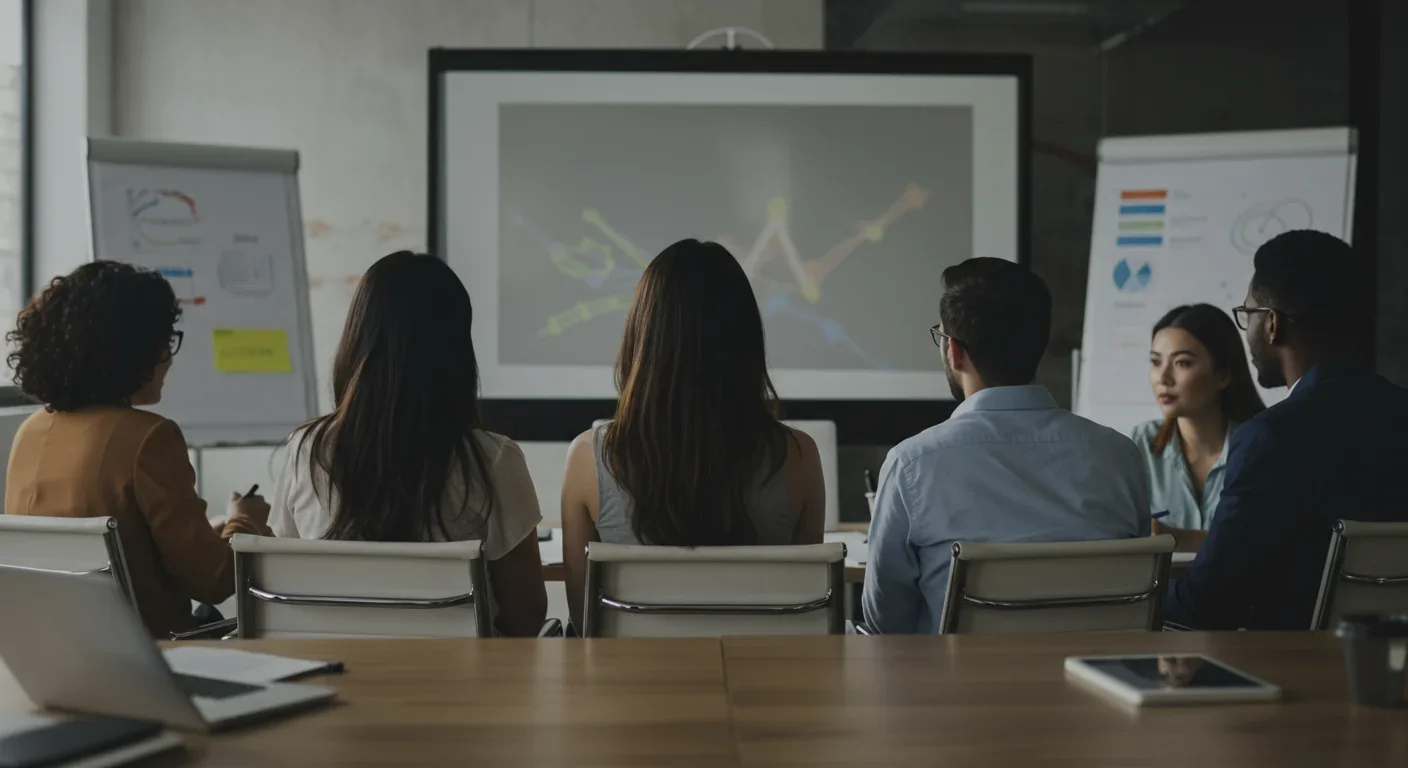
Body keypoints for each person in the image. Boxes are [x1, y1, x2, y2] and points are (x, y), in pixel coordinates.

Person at [863, 257, 1150, 635]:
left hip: (961, 673)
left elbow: (885, 620)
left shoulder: (912, 464)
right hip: (1096, 669)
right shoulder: (1121, 455)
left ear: (954, 351)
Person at [269, 251, 546, 637]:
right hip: (461, 673)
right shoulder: (493, 459)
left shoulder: (307, 450)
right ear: (458, 352)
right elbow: (525, 617)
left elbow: (286, 582)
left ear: (357, 338)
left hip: (340, 666)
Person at [560, 239, 826, 632]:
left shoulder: (588, 458)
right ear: (746, 341)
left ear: (642, 337)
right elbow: (807, 613)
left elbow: (584, 620)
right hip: (760, 669)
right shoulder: (800, 456)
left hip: (630, 673)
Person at [4, 261, 270, 638]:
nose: (169, 358)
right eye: (165, 341)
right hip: (155, 652)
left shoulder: (30, 432)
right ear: (134, 350)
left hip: (56, 646)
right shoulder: (149, 438)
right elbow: (214, 581)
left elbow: (120, 547)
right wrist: (246, 522)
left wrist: (209, 532)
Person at [1165, 230, 1408, 630]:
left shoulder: (1271, 438)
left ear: (1272, 324)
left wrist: (1135, 596)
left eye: (1248, 315)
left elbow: (1208, 604)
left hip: (1287, 663)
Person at [1131, 304, 1265, 552]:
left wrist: (1179, 539)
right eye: (1156, 362)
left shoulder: (1262, 447)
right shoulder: (1139, 444)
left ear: (1223, 375)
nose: (1163, 378)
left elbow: (1271, 543)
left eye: (1182, 363)